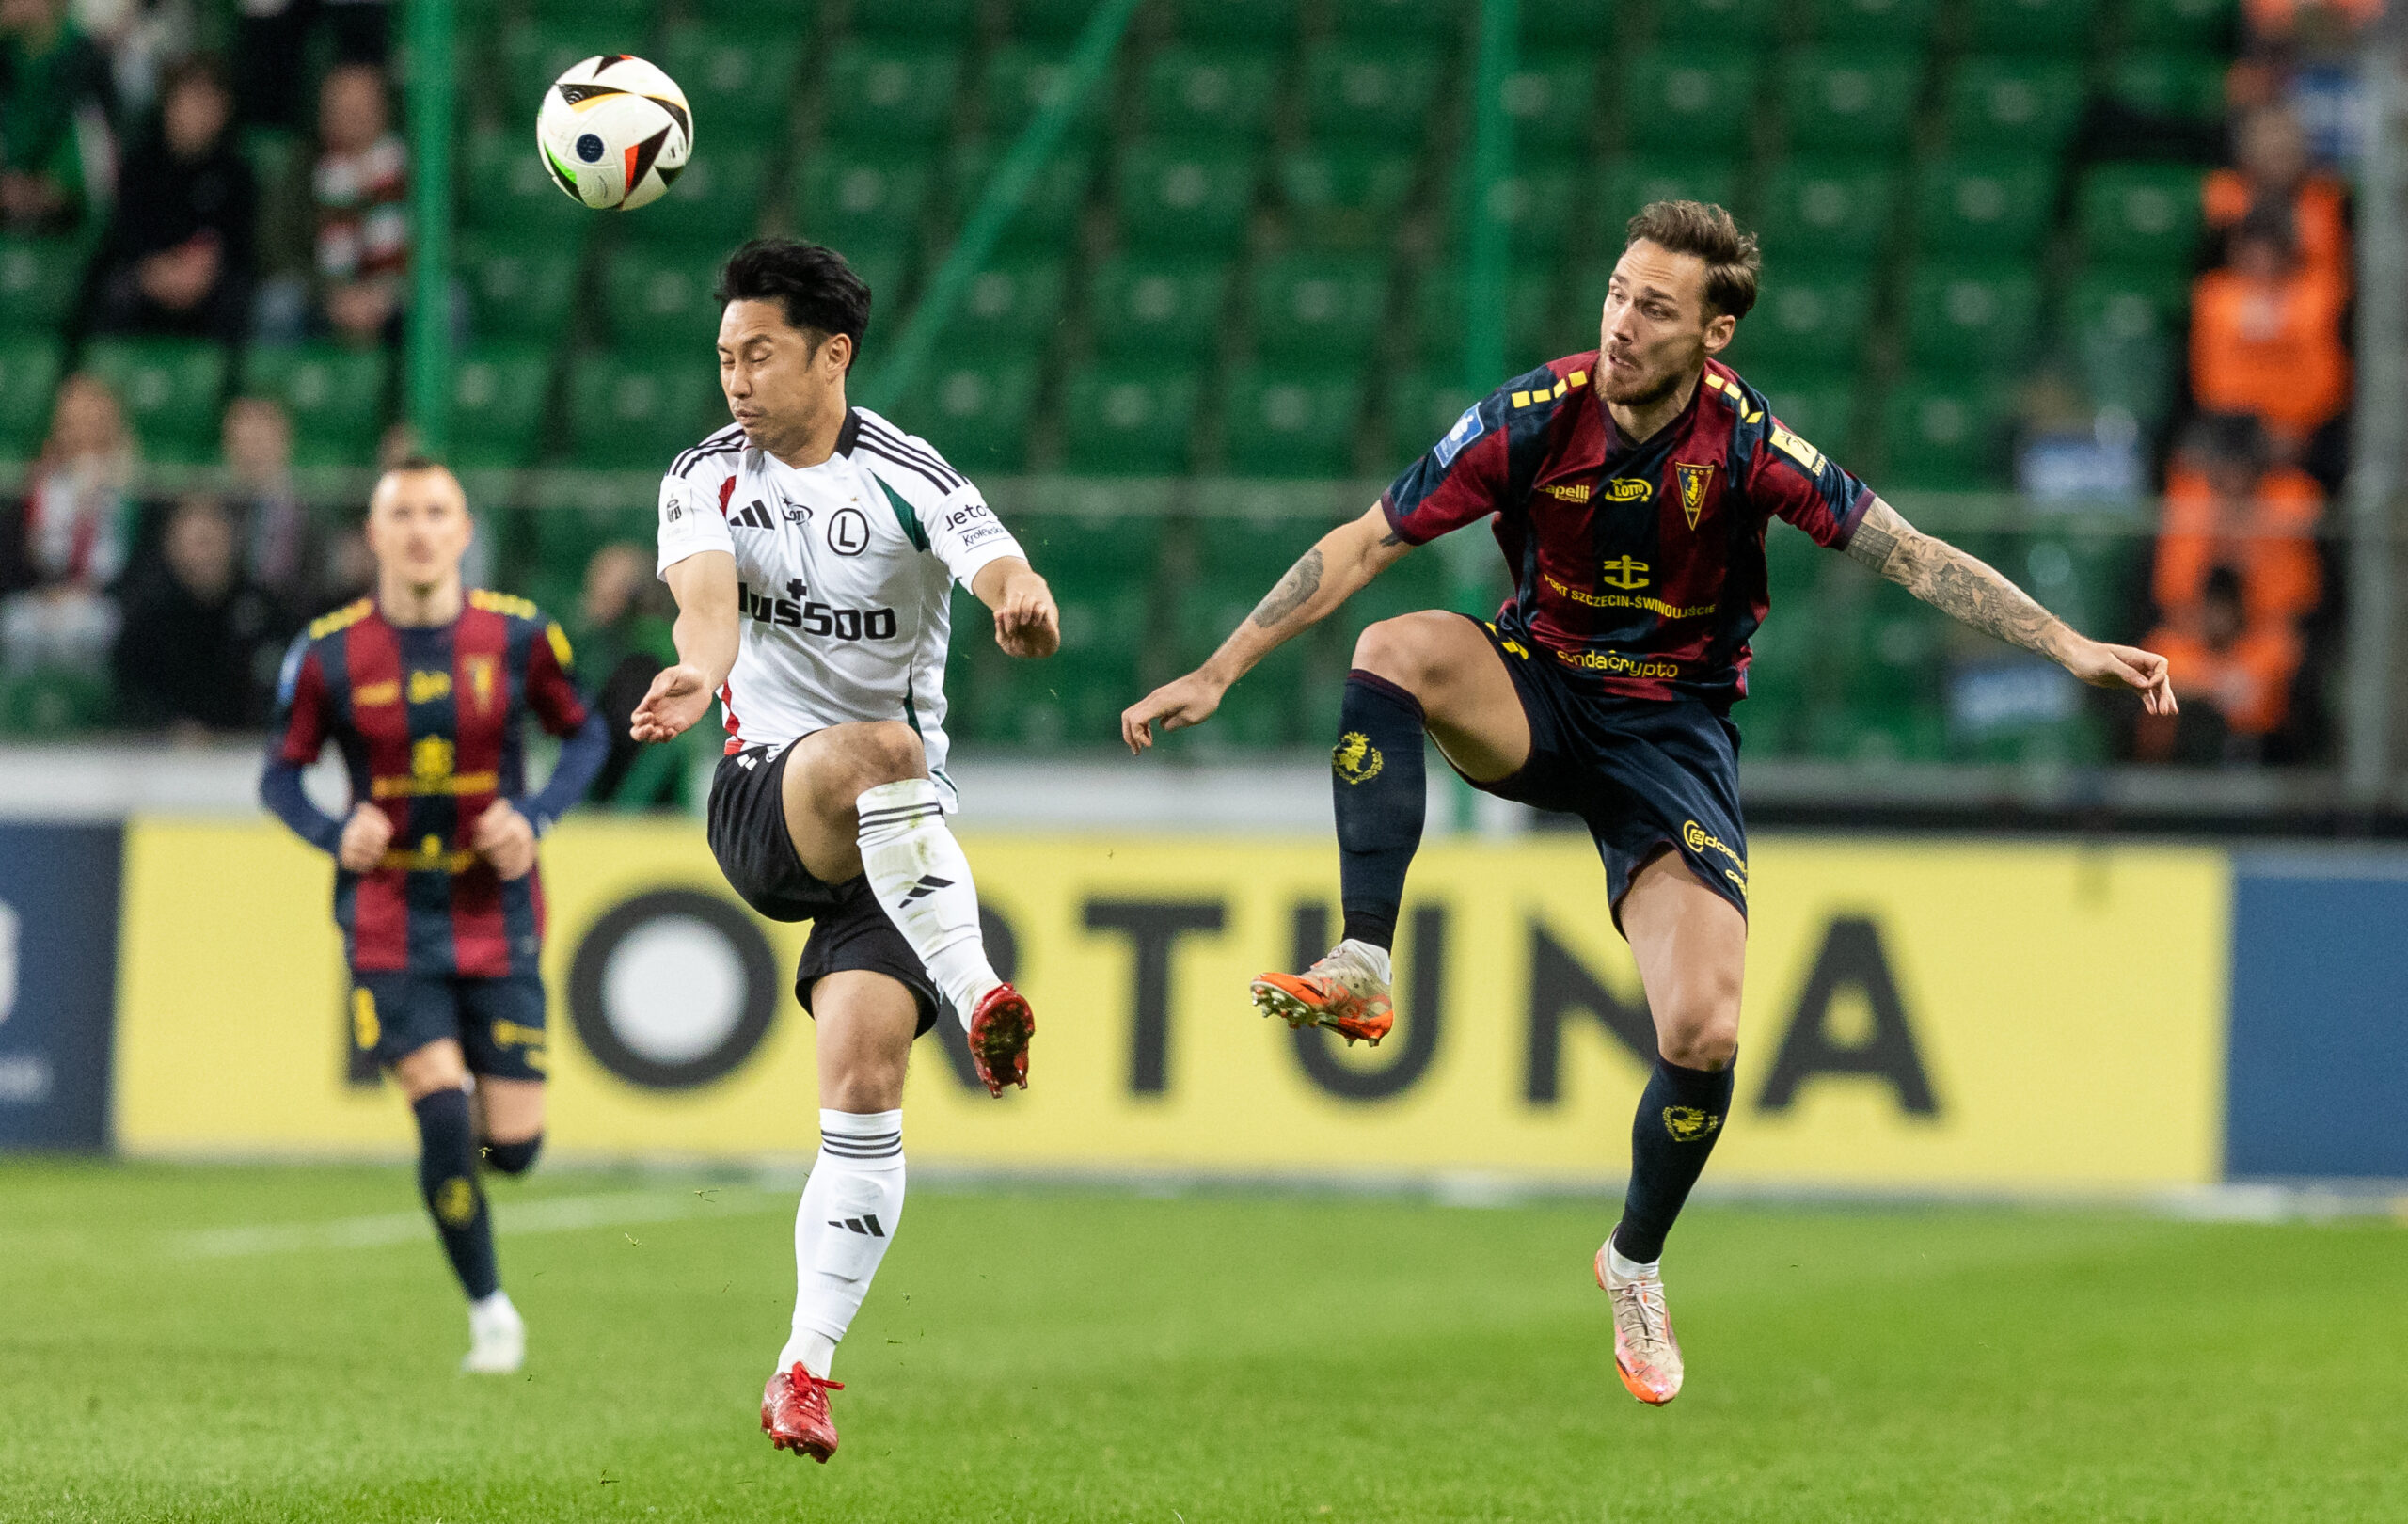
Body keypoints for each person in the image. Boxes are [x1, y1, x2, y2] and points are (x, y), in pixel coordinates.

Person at [1120, 201, 2177, 1407]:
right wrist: (1219, 669)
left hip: (1670, 738)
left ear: (1713, 335)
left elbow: (1913, 553)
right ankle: (1362, 957)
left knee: (1703, 1035)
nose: (1621, 324)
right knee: (1393, 648)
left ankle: (1631, 1260)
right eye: (1618, 294)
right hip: (1535, 689)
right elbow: (1363, 543)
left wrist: (2067, 645)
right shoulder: (1533, 414)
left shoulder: (1747, 445)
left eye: (1656, 308)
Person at [627, 238, 1057, 1462]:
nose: (735, 379)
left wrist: (1022, 602)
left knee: (864, 1092)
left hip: (898, 856)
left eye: (759, 354)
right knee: (881, 748)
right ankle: (980, 995)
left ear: (833, 356)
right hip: (768, 797)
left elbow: (997, 561)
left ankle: (803, 1370)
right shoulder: (704, 475)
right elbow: (707, 609)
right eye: (725, 356)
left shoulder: (908, 473)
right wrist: (694, 673)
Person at [259, 458, 609, 1373]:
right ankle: (491, 1313)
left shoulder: (521, 636)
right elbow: (279, 773)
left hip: (497, 912)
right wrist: (333, 832)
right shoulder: (328, 653)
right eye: (402, 514)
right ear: (374, 535)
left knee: (514, 1148)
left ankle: (475, 1171)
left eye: (436, 512)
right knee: (444, 1113)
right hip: (388, 916)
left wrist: (534, 818)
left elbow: (586, 734)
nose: (419, 530)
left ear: (463, 531)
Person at [85, 53, 255, 341]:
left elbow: (239, 244)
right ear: (168, 104)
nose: (197, 112)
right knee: (115, 291)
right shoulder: (140, 166)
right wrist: (157, 270)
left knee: (237, 298)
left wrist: (200, 270)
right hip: (149, 274)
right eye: (189, 99)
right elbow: (127, 233)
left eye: (208, 102)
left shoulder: (236, 173)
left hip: (209, 282)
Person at [112, 493, 281, 733]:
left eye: (213, 541)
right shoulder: (149, 617)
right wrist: (170, 726)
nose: (206, 555)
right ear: (172, 546)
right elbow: (132, 693)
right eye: (199, 543)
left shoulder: (261, 609)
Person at [4, 372, 133, 674]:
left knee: (84, 627)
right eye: (74, 422)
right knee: (17, 624)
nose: (83, 431)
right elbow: (19, 551)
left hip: (106, 598)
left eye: (93, 420)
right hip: (42, 594)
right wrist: (46, 589)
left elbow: (136, 557)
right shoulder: (43, 483)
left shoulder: (129, 485)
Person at [308, 62, 406, 342]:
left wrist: (386, 292)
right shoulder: (304, 165)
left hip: (397, 291)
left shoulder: (410, 167)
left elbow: (431, 242)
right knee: (279, 304)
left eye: (363, 107)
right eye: (345, 108)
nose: (355, 117)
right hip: (323, 293)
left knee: (448, 303)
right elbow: (282, 249)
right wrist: (333, 293)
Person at [0, 0, 116, 234]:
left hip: (70, 222)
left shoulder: (85, 59)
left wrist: (48, 186)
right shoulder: (8, 55)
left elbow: (97, 145)